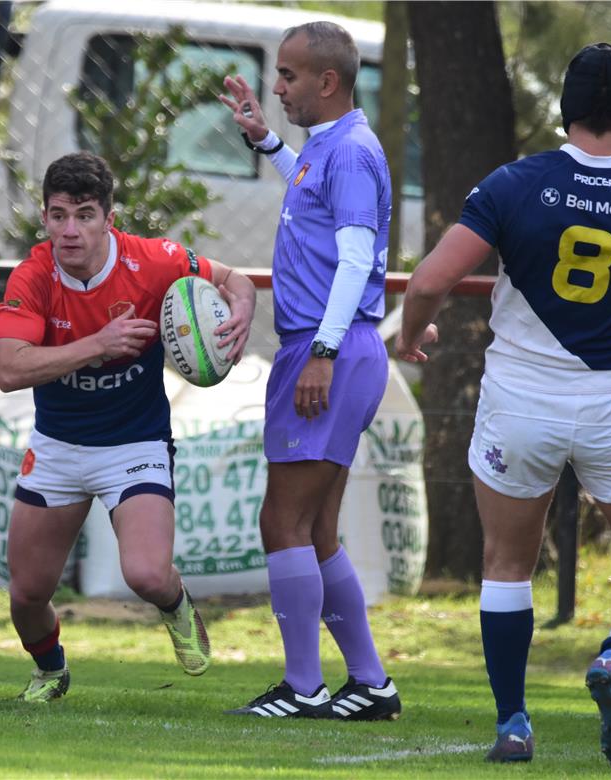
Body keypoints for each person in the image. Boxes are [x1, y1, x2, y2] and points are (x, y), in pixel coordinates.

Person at [395, 43, 611, 770]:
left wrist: (410, 330)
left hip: (522, 396)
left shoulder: (518, 184)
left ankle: (514, 723)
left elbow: (430, 278)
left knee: (506, 563)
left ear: (567, 107)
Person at [0, 151, 258, 702]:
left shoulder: (153, 261)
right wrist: (97, 347)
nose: (70, 230)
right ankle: (50, 671)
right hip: (58, 446)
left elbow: (236, 281)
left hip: (135, 443)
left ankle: (176, 604)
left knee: (147, 575)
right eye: (59, 215)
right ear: (44, 218)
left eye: (84, 215)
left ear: (108, 218)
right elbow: (8, 368)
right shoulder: (35, 275)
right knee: (26, 594)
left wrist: (242, 310)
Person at [218, 21, 401, 720]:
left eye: (288, 76)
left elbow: (355, 262)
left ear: (328, 82)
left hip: (331, 347)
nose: (277, 84)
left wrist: (321, 353)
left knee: (283, 520)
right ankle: (371, 683)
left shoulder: (351, 151)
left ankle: (303, 687)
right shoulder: (329, 147)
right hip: (334, 346)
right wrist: (266, 139)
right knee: (317, 526)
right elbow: (312, 194)